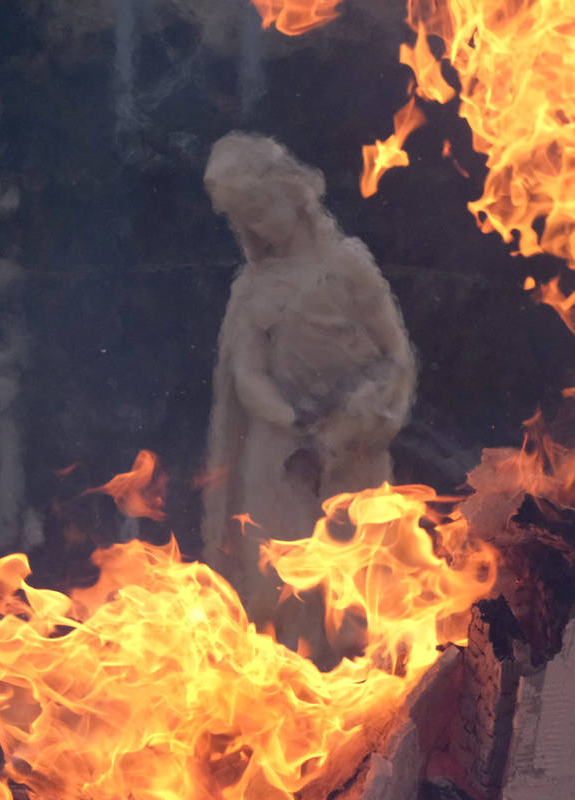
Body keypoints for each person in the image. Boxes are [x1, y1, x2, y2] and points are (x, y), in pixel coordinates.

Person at [200, 132, 416, 662]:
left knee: (354, 579)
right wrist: (292, 419)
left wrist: (356, 417)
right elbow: (247, 375)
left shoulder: (346, 265)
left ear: (290, 191)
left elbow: (395, 356)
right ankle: (292, 694)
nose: (257, 224)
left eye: (261, 206)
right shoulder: (250, 290)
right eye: (244, 216)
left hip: (352, 448)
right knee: (283, 582)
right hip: (280, 458)